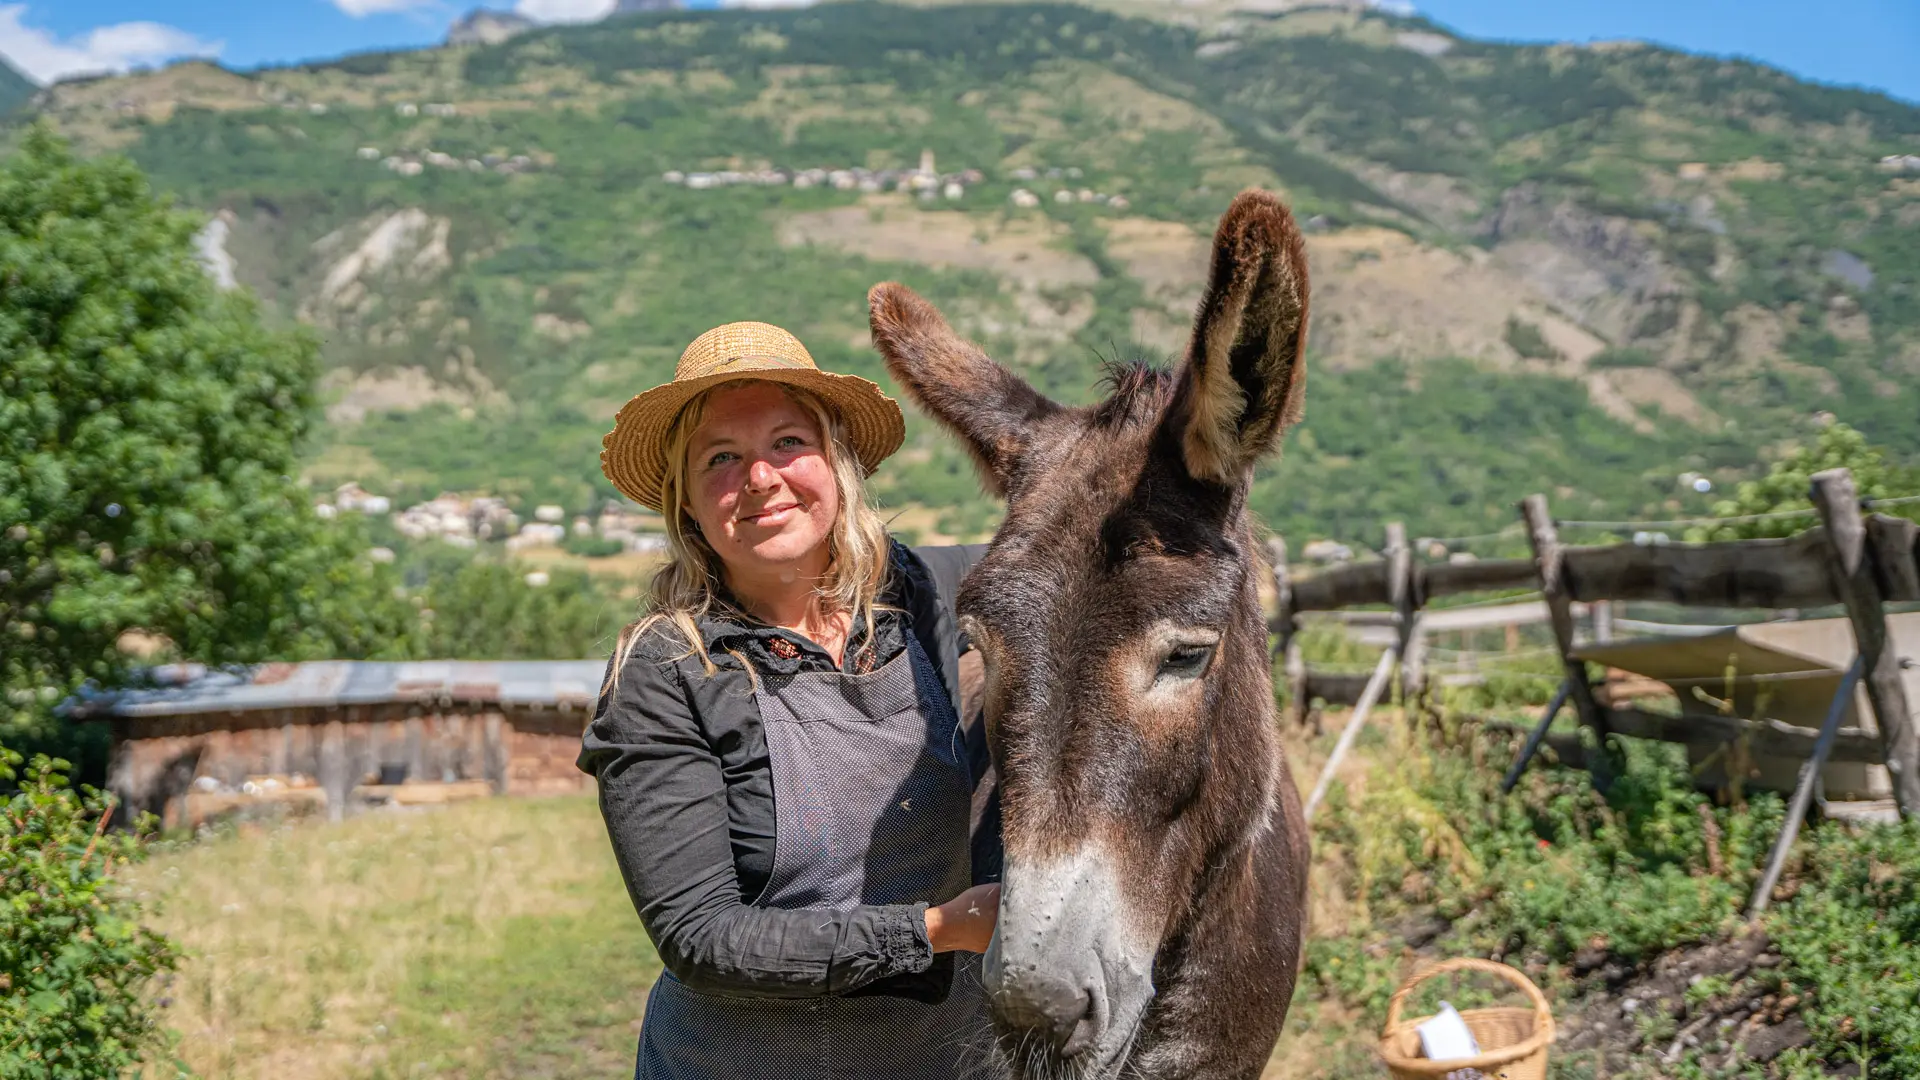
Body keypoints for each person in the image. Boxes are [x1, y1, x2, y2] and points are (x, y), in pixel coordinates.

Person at [578, 321, 1002, 1080]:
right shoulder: (668, 672)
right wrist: (941, 929)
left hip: (939, 1060)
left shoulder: (917, 596)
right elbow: (703, 937)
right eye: (722, 458)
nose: (762, 478)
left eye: (786, 443)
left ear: (836, 463)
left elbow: (1065, 570)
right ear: (686, 505)